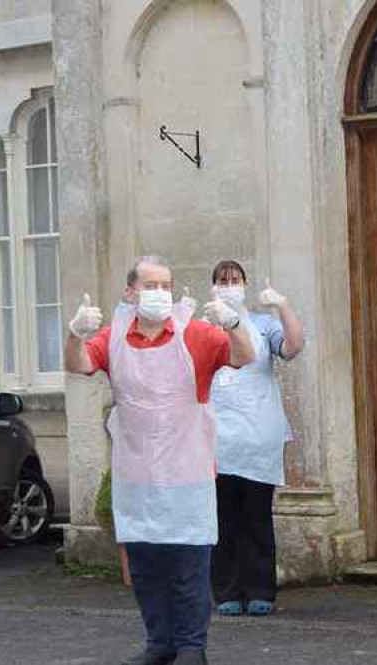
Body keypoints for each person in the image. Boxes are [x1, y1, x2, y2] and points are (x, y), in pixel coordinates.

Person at [64, 256, 255, 665]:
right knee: (146, 569)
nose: (160, 294)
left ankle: (191, 647)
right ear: (130, 293)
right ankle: (160, 642)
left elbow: (244, 357)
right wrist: (74, 334)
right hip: (136, 474)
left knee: (187, 565)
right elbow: (78, 364)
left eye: (166, 286)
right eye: (151, 286)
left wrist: (234, 325)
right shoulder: (113, 336)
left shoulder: (197, 333)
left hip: (186, 472)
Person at [208, 260, 305, 617]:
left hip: (258, 435)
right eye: (222, 280)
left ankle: (261, 588)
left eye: (235, 279)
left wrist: (282, 306)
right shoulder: (203, 326)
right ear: (213, 286)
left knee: (257, 515)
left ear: (245, 285)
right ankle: (227, 590)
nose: (229, 284)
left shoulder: (263, 326)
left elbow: (293, 346)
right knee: (223, 516)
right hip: (216, 436)